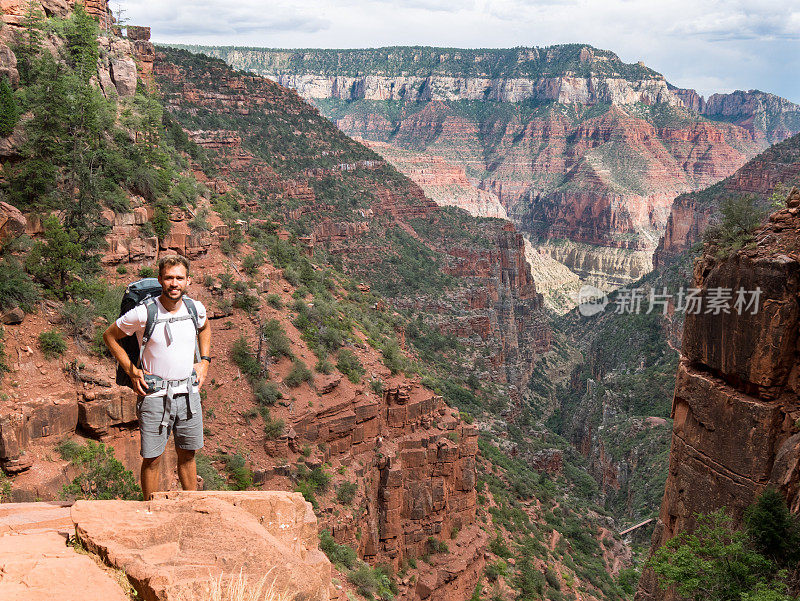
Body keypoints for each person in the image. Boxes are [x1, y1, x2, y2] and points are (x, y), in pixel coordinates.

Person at [103, 255, 211, 500]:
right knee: (152, 458)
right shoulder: (143, 313)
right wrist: (131, 370)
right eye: (169, 277)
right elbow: (109, 336)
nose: (174, 283)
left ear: (188, 281)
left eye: (179, 278)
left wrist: (204, 361)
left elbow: (205, 328)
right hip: (154, 395)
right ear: (160, 279)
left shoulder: (196, 309)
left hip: (188, 393)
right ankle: (150, 510)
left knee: (188, 453)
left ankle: (191, 505)